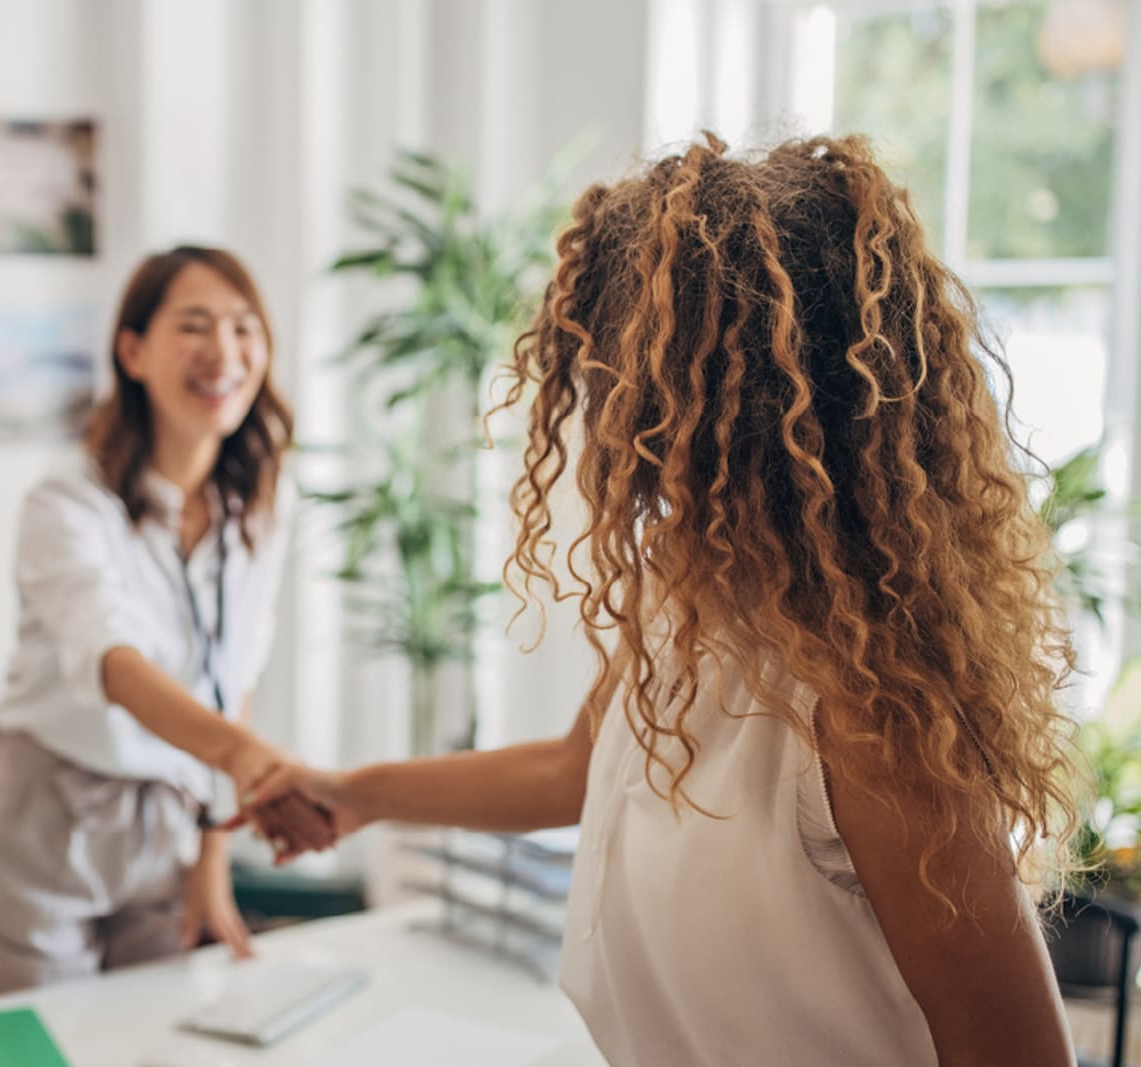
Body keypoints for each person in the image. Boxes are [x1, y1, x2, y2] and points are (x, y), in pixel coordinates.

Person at [232, 135, 1081, 1066]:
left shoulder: (871, 712)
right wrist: (352, 793)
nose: (598, 418)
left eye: (620, 377)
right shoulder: (680, 590)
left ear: (729, 403)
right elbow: (574, 767)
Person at [0, 246, 335, 997]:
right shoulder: (66, 504)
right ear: (133, 351)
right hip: (45, 808)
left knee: (159, 1033)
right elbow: (115, 663)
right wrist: (249, 760)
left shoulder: (260, 503)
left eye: (243, 327)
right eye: (194, 326)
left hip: (172, 815)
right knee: (43, 1045)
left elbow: (238, 675)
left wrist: (211, 857)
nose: (223, 353)